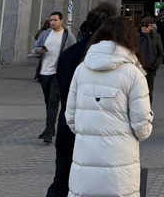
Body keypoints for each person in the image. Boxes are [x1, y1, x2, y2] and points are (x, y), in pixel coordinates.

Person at [65, 16, 153, 197]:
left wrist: (88, 132)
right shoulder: (134, 74)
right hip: (120, 164)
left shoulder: (81, 69)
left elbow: (70, 117)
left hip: (85, 160)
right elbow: (142, 126)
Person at [47, 2, 117, 197]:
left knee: (61, 183)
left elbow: (63, 91)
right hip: (97, 135)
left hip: (67, 130)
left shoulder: (68, 54)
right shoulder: (111, 58)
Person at [32, 12, 77, 143]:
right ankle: (50, 128)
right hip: (44, 73)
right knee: (48, 101)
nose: (52, 22)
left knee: (53, 101)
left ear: (61, 21)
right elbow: (34, 48)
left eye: (55, 20)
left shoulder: (67, 36)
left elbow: (74, 53)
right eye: (51, 20)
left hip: (58, 74)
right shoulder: (45, 34)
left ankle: (49, 130)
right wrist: (39, 50)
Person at [137, 16, 163, 104]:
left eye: (146, 26)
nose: (144, 27)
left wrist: (155, 66)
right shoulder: (137, 36)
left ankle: (148, 110)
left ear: (151, 26)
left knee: (149, 91)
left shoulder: (156, 37)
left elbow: (161, 53)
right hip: (138, 68)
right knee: (137, 91)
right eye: (142, 26)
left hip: (150, 68)